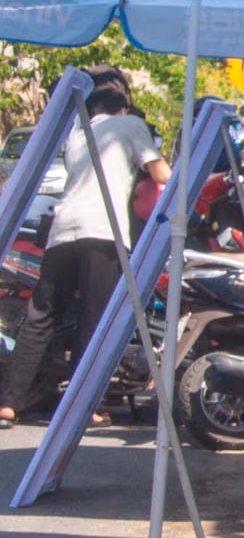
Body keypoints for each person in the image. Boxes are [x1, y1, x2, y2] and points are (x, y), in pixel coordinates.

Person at [0, 80, 170, 428]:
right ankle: (84, 406)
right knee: (94, 321)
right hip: (103, 231)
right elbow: (161, 173)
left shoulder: (78, 135)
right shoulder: (130, 124)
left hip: (62, 231)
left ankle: (8, 404)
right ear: (122, 107)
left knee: (41, 318)